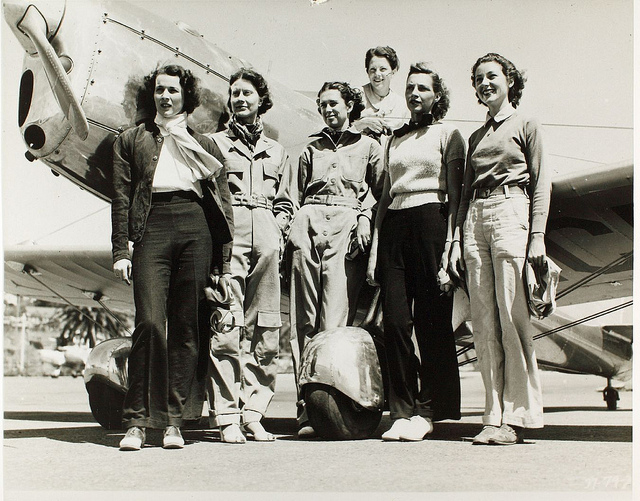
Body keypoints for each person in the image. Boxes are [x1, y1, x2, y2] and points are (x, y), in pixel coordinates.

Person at [112, 64, 234, 451]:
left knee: (187, 326)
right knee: (149, 322)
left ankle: (174, 422)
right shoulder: (130, 140)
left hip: (195, 227)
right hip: (152, 226)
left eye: (173, 92)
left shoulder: (206, 144)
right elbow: (121, 199)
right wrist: (121, 249)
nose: (166, 97)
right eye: (160, 90)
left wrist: (224, 263)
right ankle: (136, 422)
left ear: (186, 98)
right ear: (152, 95)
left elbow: (223, 205)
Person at [449, 53, 551, 445]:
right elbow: (462, 196)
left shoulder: (527, 123)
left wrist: (538, 236)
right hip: (475, 217)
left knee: (512, 315)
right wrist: (458, 239)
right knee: (484, 323)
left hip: (512, 209)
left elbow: (542, 182)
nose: (484, 83)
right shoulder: (475, 137)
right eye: (478, 79)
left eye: (492, 76)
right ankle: (494, 415)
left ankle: (519, 416)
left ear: (509, 79)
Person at [367, 62, 463, 441]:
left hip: (432, 222)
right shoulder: (395, 139)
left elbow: (456, 196)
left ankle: (428, 411)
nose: (415, 94)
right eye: (409, 88)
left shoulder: (449, 134)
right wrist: (376, 250)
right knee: (394, 322)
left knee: (431, 321)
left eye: (423, 88)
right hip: (394, 224)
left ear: (436, 96)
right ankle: (402, 411)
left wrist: (450, 247)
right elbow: (384, 198)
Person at [288, 81, 384, 437]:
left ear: (349, 105)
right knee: (303, 319)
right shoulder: (309, 149)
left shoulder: (370, 147)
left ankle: (326, 400)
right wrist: (294, 227)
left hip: (346, 224)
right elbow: (292, 195)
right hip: (308, 222)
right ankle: (303, 408)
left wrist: (364, 216)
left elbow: (380, 193)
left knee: (334, 318)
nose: (327, 109)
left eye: (333, 103)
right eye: (321, 103)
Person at [206, 68, 294, 443]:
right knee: (226, 324)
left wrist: (277, 229)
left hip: (267, 243)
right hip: (229, 237)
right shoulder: (212, 144)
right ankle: (226, 415)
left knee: (267, 328)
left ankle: (254, 412)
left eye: (247, 93)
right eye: (234, 94)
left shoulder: (277, 151)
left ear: (261, 100)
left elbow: (287, 200)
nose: (240, 99)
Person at [353, 46, 410, 140]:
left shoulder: (401, 104)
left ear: (393, 71)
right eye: (372, 69)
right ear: (367, 72)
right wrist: (362, 124)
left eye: (383, 69)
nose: (377, 74)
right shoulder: (357, 95)